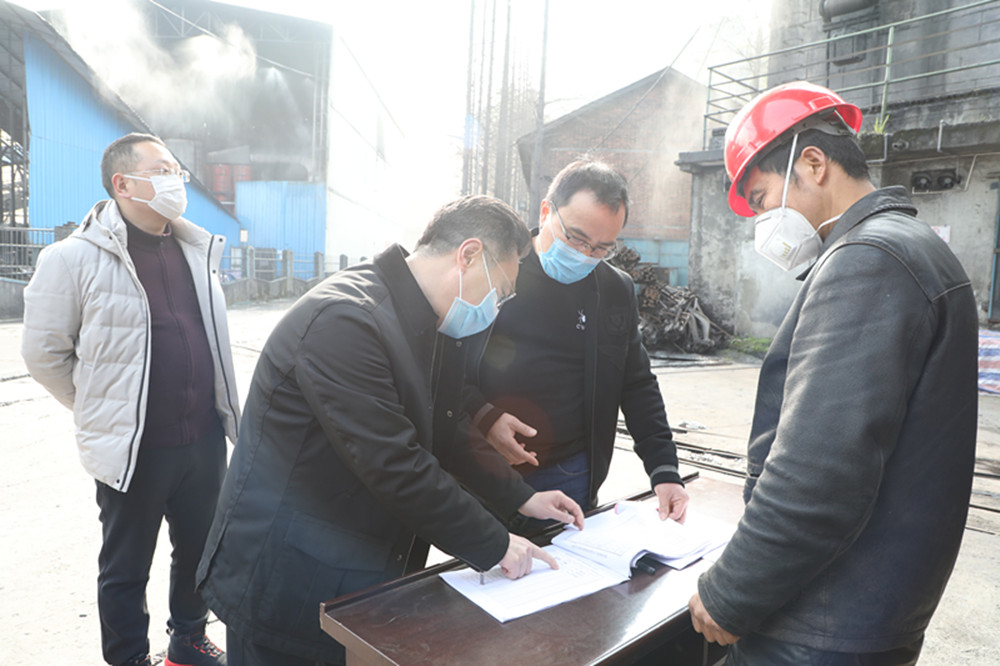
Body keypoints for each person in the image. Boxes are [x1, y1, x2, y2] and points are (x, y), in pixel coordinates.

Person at [196, 195, 585, 666]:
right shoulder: (345, 320)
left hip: (355, 567)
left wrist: (519, 497)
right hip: (287, 574)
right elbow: (395, 463)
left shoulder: (432, 324)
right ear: (468, 255)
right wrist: (495, 542)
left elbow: (447, 427)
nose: (496, 307)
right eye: (500, 291)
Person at [688, 81, 978, 665]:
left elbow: (818, 472)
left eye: (763, 199)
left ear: (814, 164)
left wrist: (730, 592)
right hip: (872, 612)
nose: (763, 221)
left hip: (822, 623)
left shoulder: (868, 260)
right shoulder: (915, 247)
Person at [21, 132, 240, 666]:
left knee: (199, 550)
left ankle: (188, 639)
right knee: (126, 566)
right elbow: (44, 355)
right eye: (161, 170)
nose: (175, 180)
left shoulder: (196, 250)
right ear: (123, 184)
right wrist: (104, 409)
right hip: (135, 447)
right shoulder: (72, 259)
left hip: (203, 437)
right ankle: (128, 658)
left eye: (176, 171)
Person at [465, 159, 689, 526]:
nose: (584, 255)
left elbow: (636, 383)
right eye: (576, 238)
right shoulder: (495, 270)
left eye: (601, 248)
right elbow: (442, 364)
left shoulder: (614, 290)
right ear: (546, 211)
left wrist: (664, 469)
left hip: (569, 474)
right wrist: (483, 416)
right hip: (484, 466)